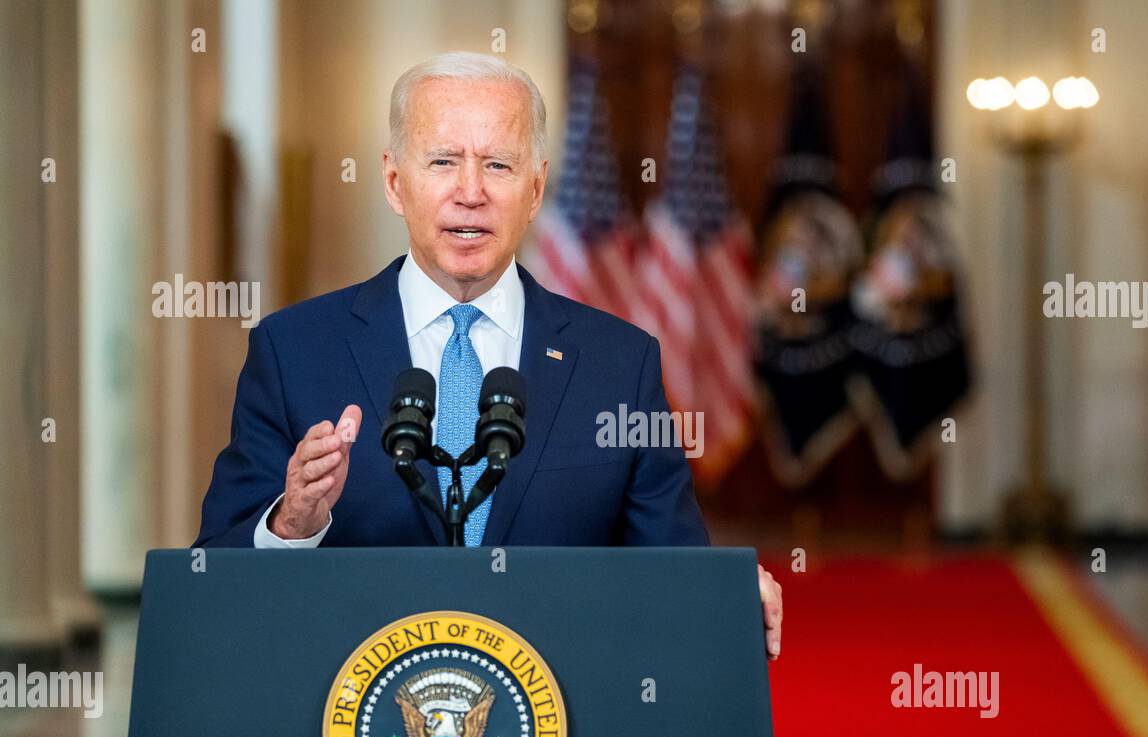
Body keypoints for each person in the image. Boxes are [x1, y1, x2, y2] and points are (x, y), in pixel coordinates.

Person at [194, 52, 782, 659]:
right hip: (353, 725)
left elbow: (671, 566)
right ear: (395, 182)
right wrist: (290, 525)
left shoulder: (621, 367)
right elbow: (207, 579)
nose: (470, 193)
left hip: (559, 724)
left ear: (534, 189)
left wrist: (722, 594)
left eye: (498, 165)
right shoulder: (293, 351)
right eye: (443, 162)